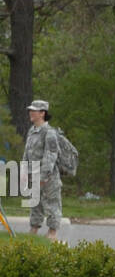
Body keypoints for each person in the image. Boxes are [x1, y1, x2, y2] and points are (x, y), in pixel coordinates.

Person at [23, 99, 62, 240]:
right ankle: (34, 228)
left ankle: (52, 232)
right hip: (32, 173)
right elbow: (26, 152)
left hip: (48, 176)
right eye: (30, 110)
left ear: (42, 113)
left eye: (34, 110)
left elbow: (50, 156)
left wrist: (43, 177)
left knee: (52, 203)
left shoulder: (49, 132)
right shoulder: (32, 131)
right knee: (35, 203)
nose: (30, 113)